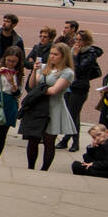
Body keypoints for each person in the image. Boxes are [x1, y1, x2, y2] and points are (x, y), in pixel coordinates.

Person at [19, 41, 73, 171]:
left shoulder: (67, 72)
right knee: (33, 140)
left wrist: (40, 89)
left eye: (56, 54)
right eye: (51, 54)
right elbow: (32, 85)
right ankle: (30, 166)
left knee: (49, 142)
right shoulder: (44, 67)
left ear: (63, 56)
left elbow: (54, 90)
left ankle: (44, 169)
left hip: (53, 108)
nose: (52, 57)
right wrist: (34, 70)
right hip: (38, 107)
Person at [59, 29, 103, 152]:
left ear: (87, 41)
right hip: (69, 86)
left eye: (80, 40)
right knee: (70, 114)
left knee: (73, 115)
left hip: (79, 88)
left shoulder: (90, 53)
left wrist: (75, 56)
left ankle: (75, 142)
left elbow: (79, 70)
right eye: (76, 40)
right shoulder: (73, 51)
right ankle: (66, 140)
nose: (77, 43)